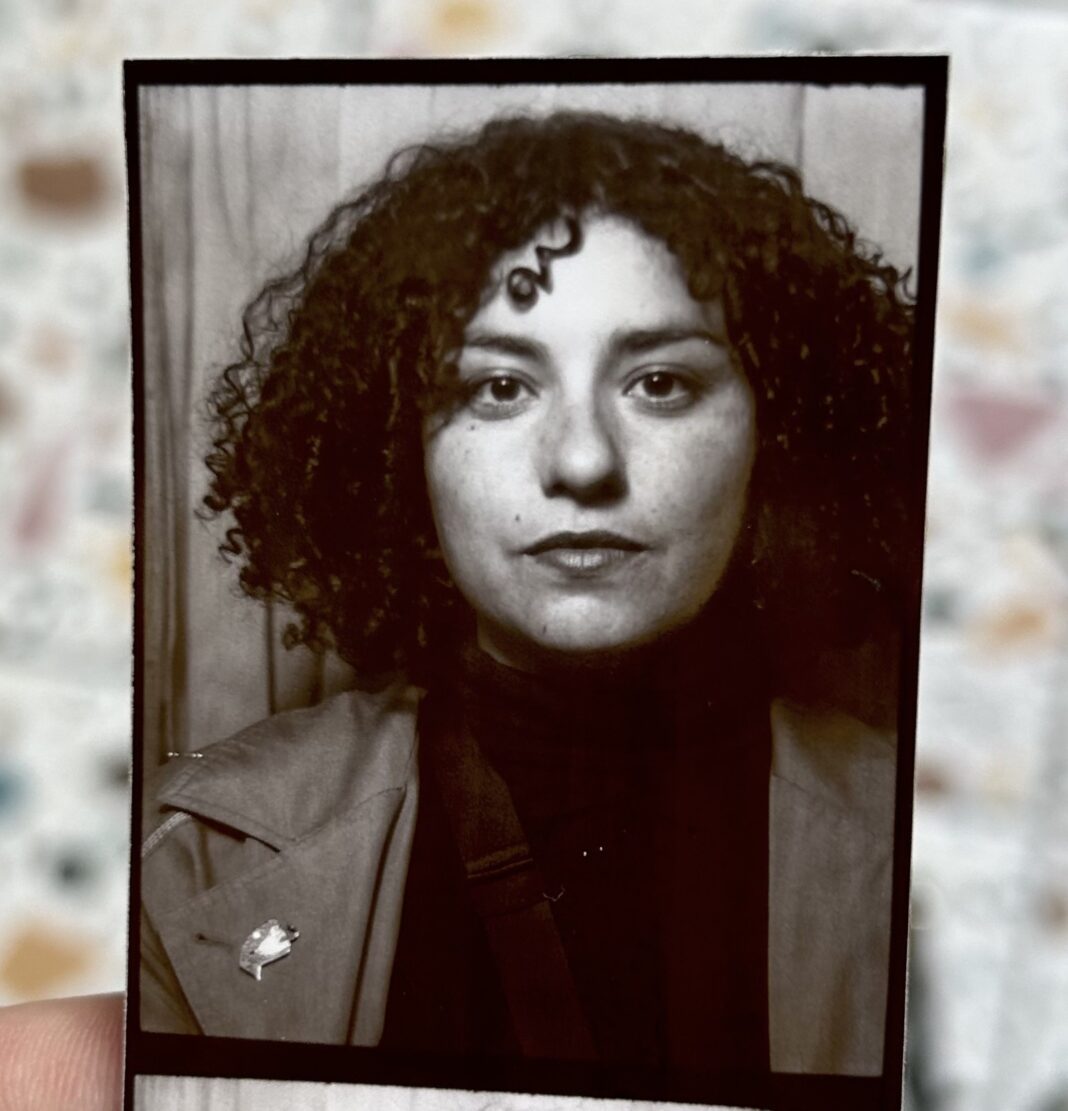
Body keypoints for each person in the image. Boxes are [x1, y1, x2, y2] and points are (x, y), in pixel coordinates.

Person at [139, 111, 917, 1083]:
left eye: (661, 382)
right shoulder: (196, 859)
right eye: (500, 387)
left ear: (778, 430)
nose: (583, 461)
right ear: (400, 446)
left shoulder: (936, 859)